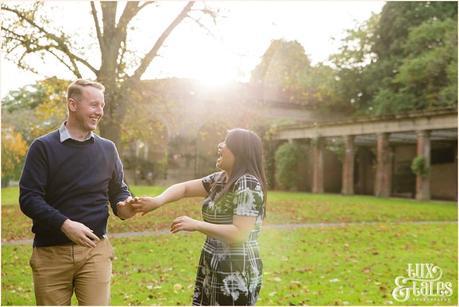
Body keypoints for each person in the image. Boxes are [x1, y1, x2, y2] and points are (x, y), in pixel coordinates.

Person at [19, 79, 136, 305]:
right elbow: (29, 198)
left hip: (96, 251)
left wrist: (125, 206)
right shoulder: (43, 147)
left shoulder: (107, 148)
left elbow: (118, 190)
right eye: (94, 105)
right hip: (51, 254)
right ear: (73, 105)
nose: (99, 112)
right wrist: (65, 224)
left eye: (101, 106)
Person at [127, 128, 267, 306]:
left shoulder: (247, 183)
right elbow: (184, 188)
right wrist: (158, 201)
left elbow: (239, 233)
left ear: (240, 151)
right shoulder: (221, 179)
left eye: (226, 142)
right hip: (213, 261)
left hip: (236, 268)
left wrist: (197, 225)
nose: (220, 145)